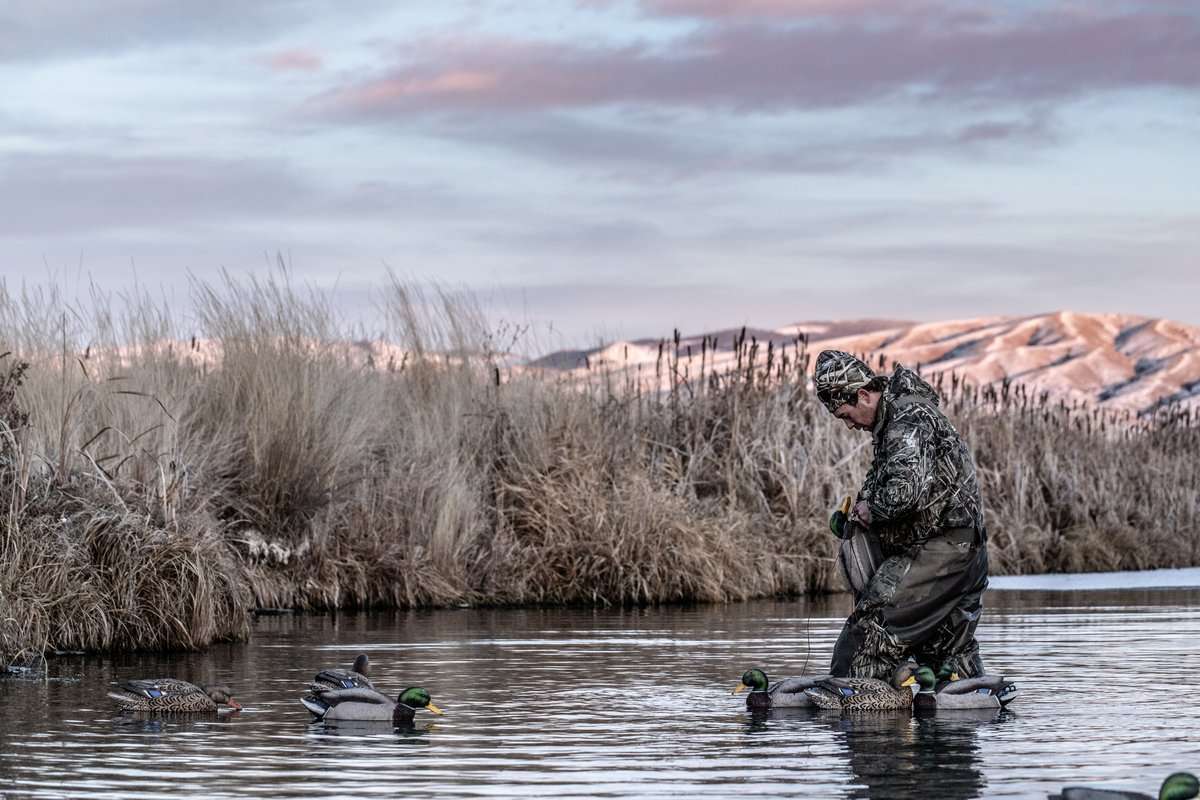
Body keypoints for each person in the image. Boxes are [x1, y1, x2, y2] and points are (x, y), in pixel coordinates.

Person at [814, 350, 988, 680]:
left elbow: (903, 492)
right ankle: (966, 708)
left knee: (864, 642)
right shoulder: (897, 420)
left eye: (845, 414)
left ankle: (863, 717)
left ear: (863, 394)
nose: (849, 425)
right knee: (946, 660)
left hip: (940, 554)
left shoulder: (907, 421)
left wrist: (869, 509)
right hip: (962, 555)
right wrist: (855, 516)